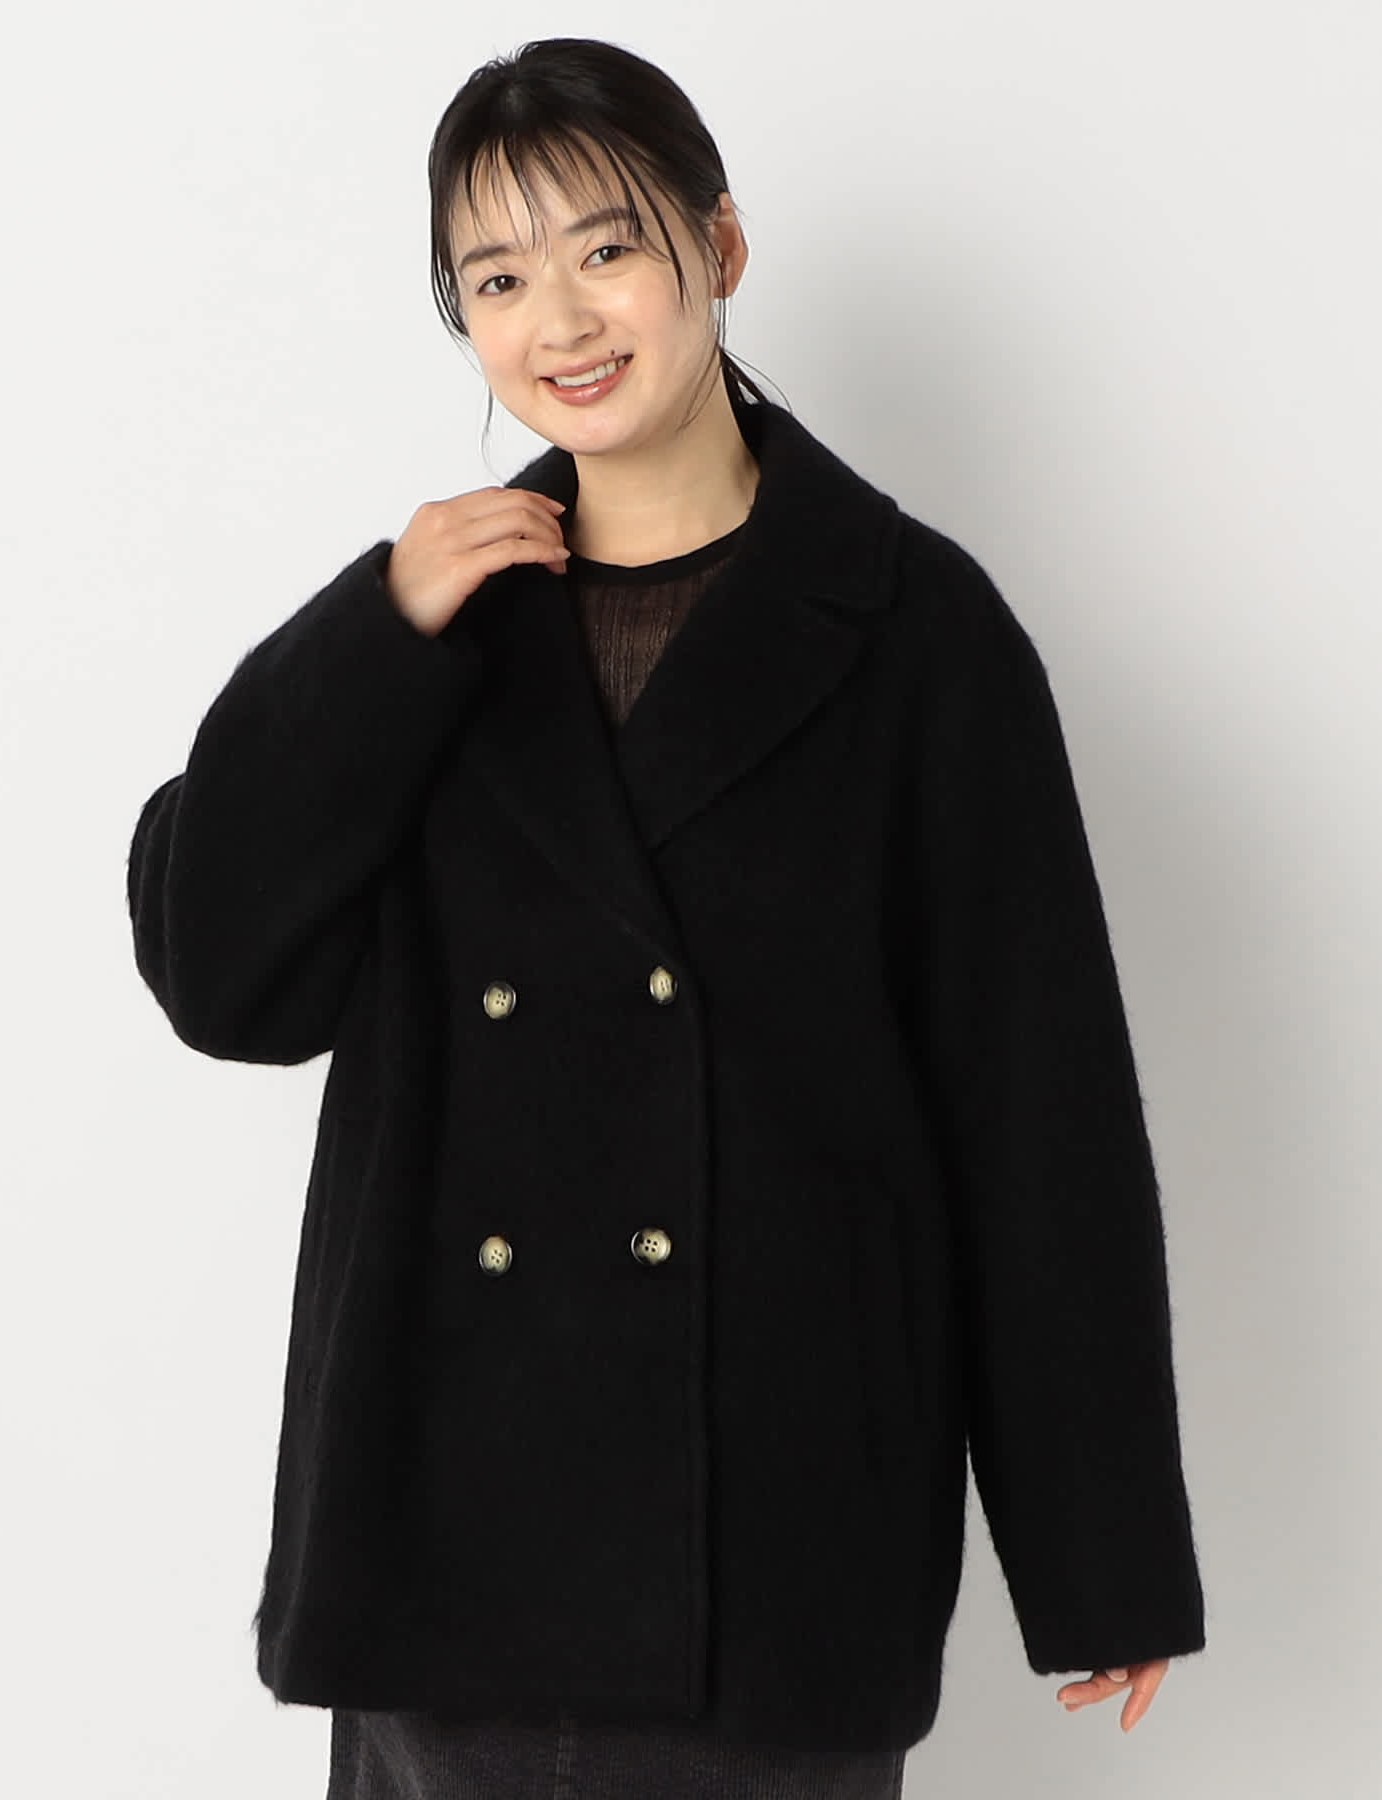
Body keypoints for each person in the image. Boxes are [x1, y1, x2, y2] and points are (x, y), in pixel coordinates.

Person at [126, 35, 1206, 1800]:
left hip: (774, 1535)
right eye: (496, 277)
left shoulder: (917, 632)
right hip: (449, 1533)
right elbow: (220, 976)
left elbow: (1038, 1110)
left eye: (605, 247)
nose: (558, 317)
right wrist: (374, 627)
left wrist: (1102, 1554)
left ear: (720, 244)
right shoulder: (431, 628)